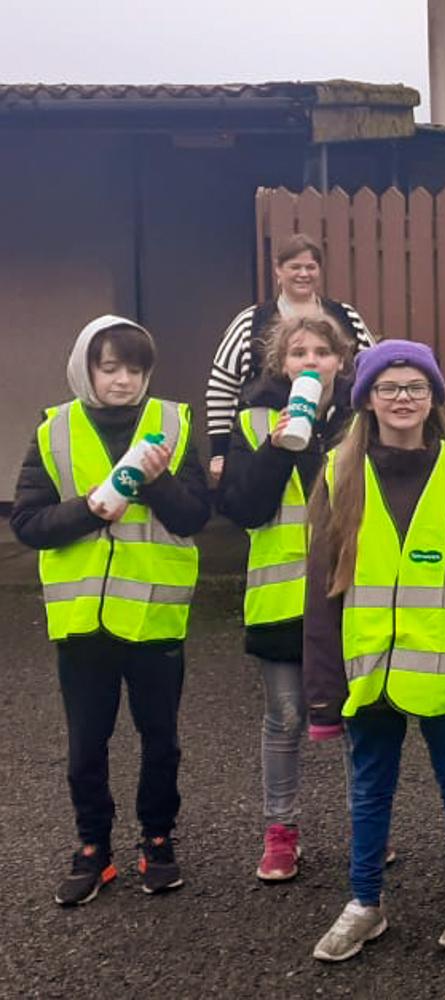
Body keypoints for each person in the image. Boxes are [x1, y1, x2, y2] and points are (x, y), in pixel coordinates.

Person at [302, 340, 445, 961]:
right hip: (368, 669)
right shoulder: (340, 471)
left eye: (416, 387)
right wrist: (322, 694)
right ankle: (365, 903)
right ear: (365, 398)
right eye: (389, 387)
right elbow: (321, 593)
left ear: (433, 399)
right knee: (368, 788)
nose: (403, 399)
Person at [12, 316, 211, 904]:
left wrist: (154, 482)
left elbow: (196, 517)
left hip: (154, 617)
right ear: (87, 369)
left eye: (135, 368)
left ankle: (157, 838)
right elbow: (27, 523)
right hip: (82, 623)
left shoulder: (173, 423)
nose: (123, 380)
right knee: (86, 743)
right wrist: (93, 508)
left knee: (161, 739)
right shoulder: (55, 430)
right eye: (110, 367)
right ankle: (93, 846)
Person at [219, 315, 355, 881]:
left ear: (340, 363)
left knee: (355, 715)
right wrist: (277, 447)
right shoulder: (253, 420)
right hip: (279, 596)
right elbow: (243, 506)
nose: (310, 361)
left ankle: (364, 826)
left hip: (347, 594)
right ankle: (281, 833)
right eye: (298, 352)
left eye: (322, 352)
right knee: (285, 717)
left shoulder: (358, 418)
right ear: (282, 364)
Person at [205, 233, 376, 483]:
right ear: (278, 270)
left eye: (311, 267)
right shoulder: (250, 322)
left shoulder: (347, 316)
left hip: (338, 436)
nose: (303, 274)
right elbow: (221, 388)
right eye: (295, 267)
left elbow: (372, 372)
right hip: (264, 444)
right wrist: (219, 451)